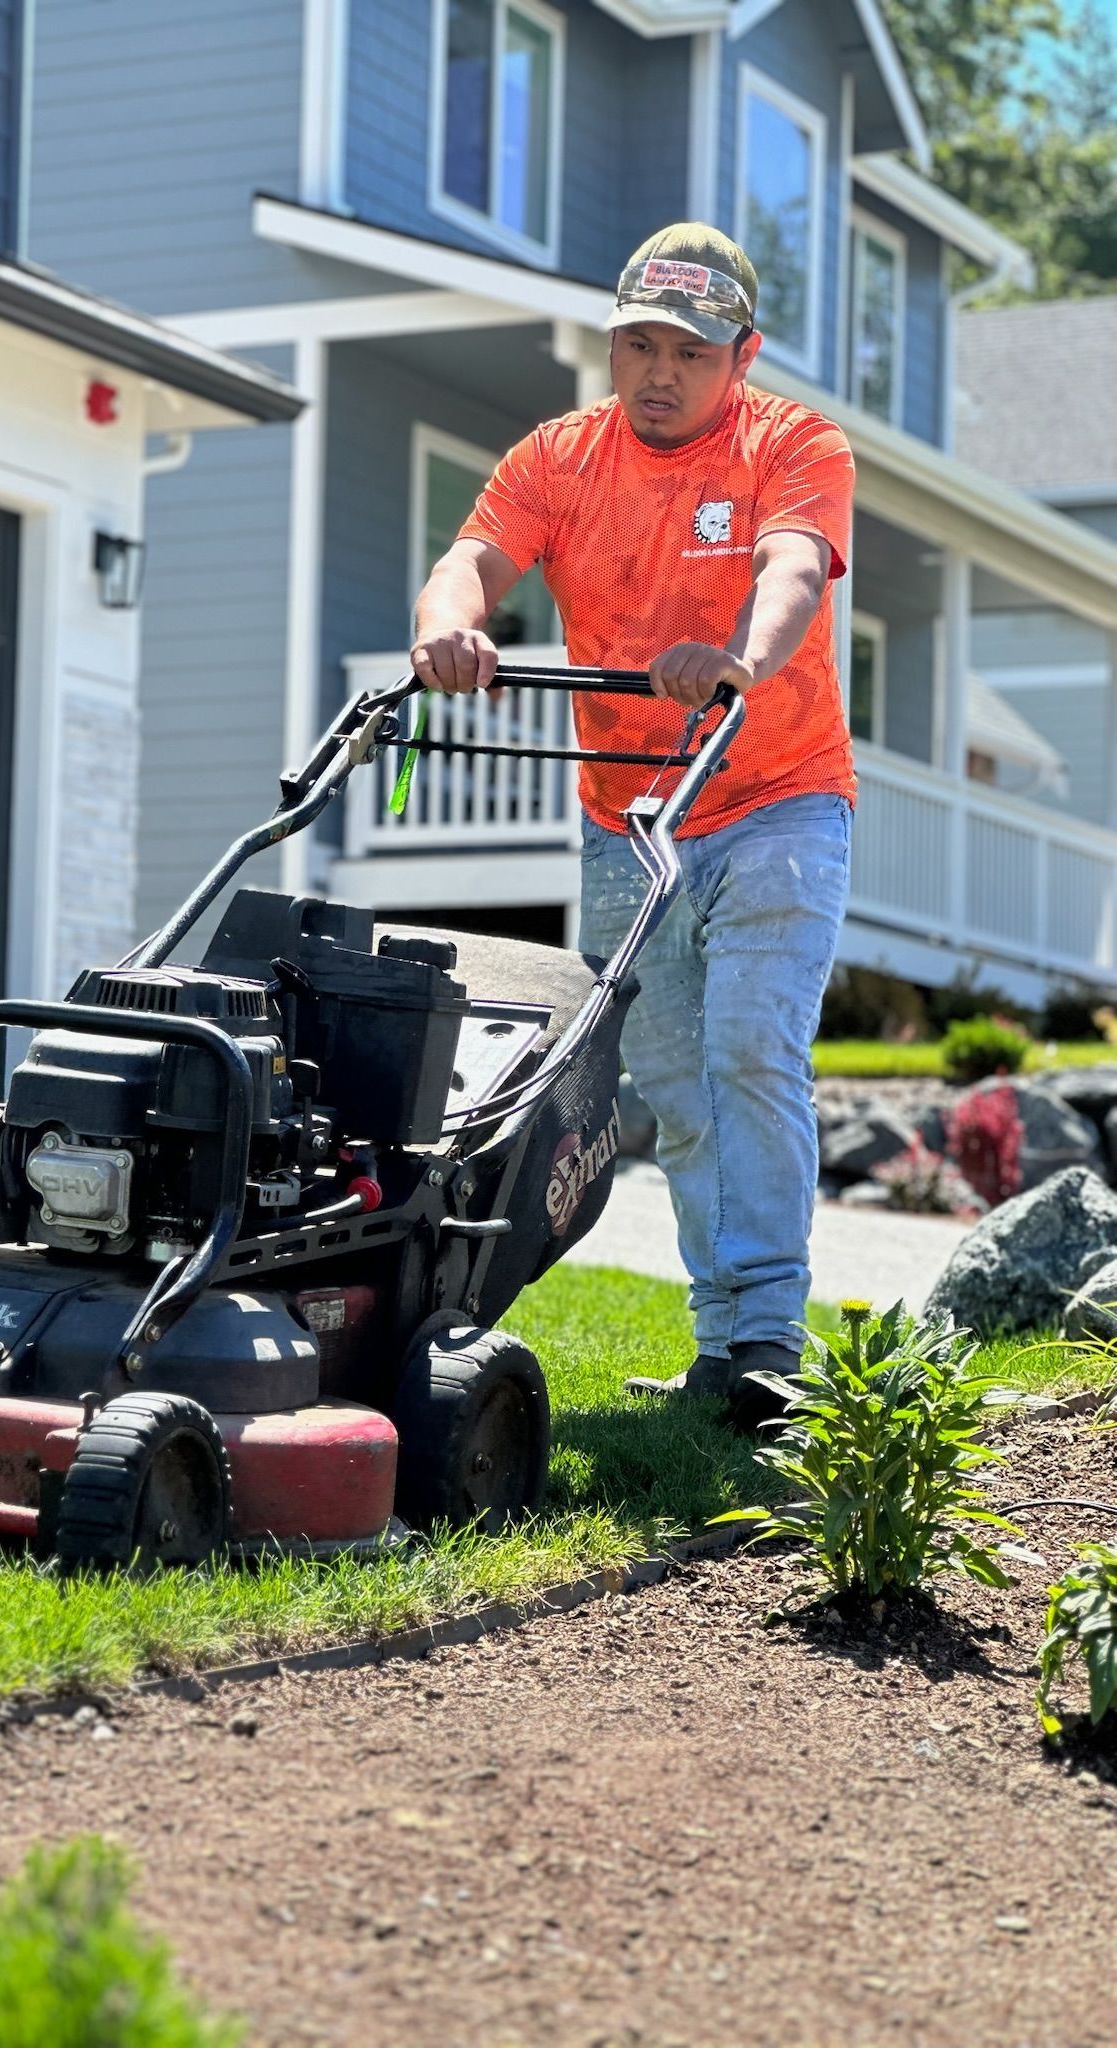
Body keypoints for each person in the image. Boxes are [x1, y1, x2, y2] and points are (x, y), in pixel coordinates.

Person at [409, 223, 855, 1429]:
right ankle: (725, 1348)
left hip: (778, 798)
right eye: (638, 346)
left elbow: (796, 572)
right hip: (628, 816)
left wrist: (737, 663)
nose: (660, 373)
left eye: (690, 354)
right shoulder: (560, 457)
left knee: (753, 1049)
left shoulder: (792, 443)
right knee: (666, 1078)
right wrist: (450, 624)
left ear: (742, 357)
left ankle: (770, 1338)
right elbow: (471, 559)